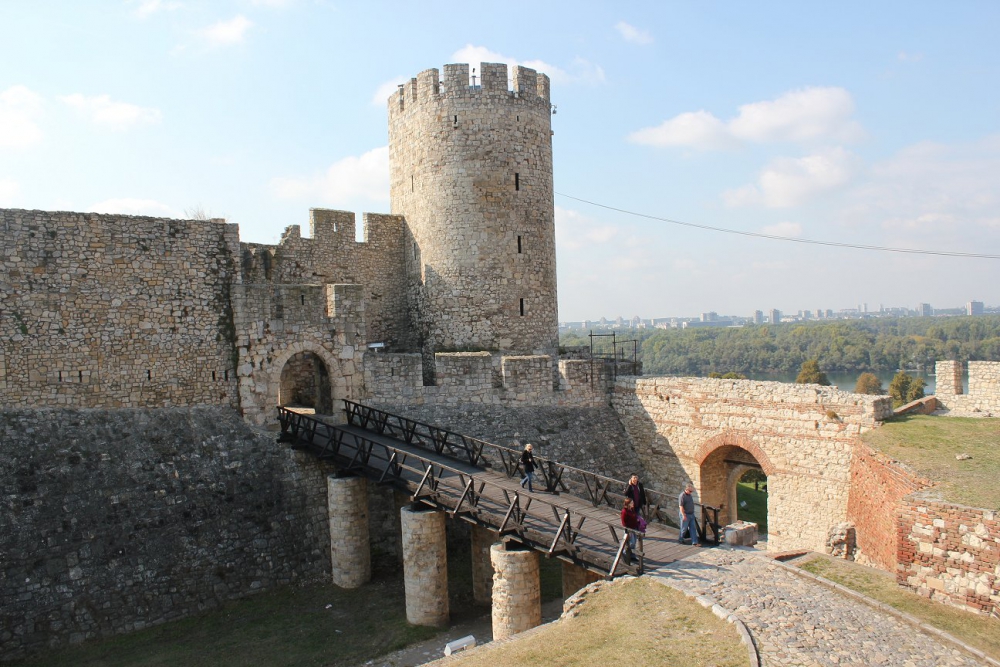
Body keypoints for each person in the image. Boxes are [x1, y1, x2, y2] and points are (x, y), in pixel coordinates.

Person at [621, 497, 639, 564]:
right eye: (631, 503)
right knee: (631, 542)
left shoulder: (631, 509)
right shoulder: (624, 511)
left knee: (634, 542)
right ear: (628, 504)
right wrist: (627, 530)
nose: (633, 504)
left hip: (634, 528)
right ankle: (624, 554)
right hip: (629, 529)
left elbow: (634, 516)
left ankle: (632, 556)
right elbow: (623, 522)